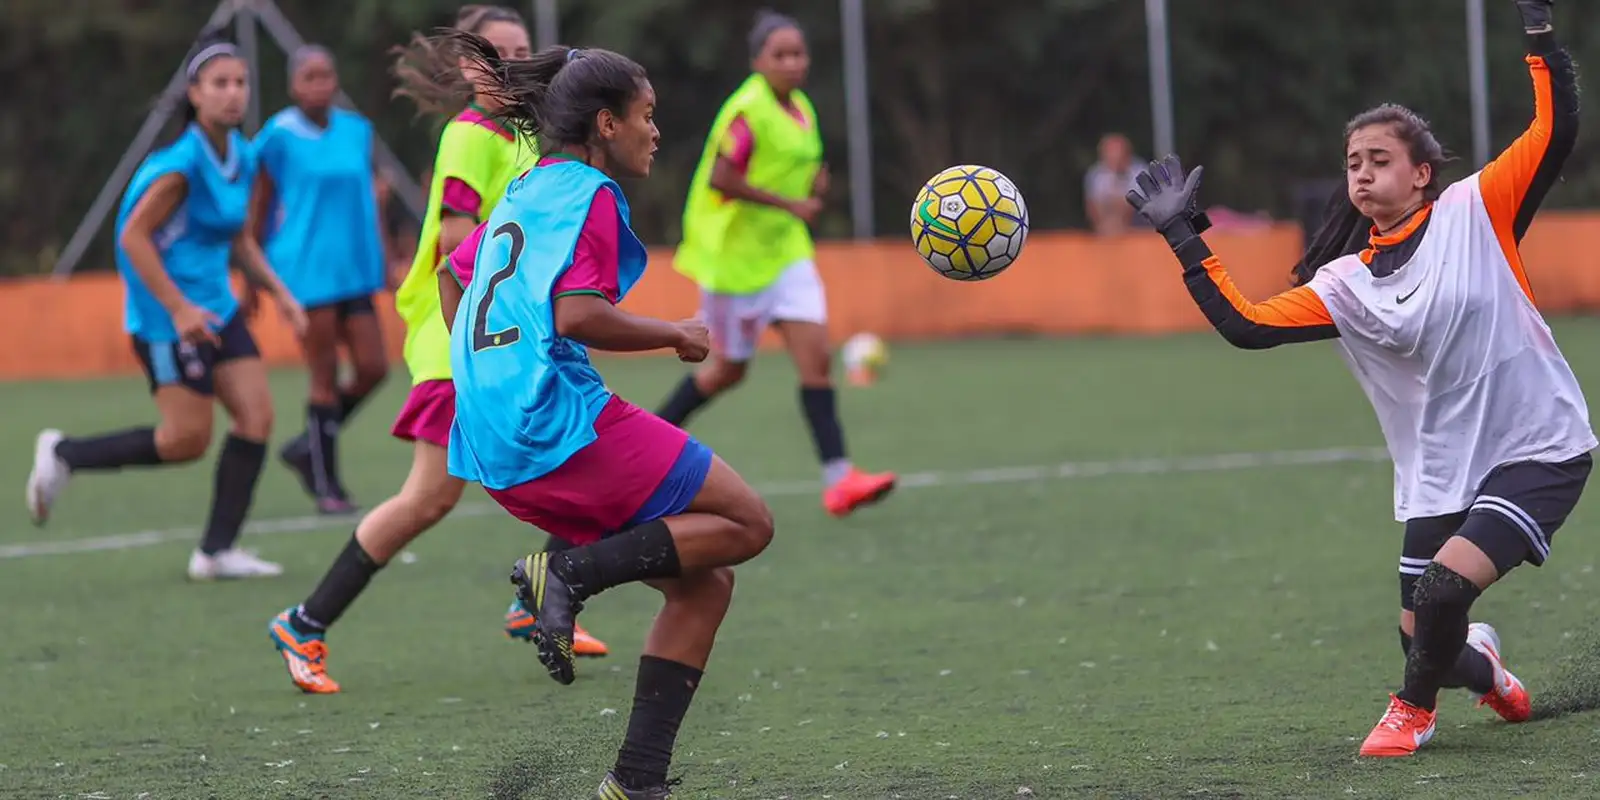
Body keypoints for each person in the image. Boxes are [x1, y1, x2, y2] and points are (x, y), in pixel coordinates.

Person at [1124, 0, 1587, 759]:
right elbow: (1246, 324)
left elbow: (1553, 133)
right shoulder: (1345, 283)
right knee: (1421, 631)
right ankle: (1487, 672)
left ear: (1421, 172)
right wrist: (1183, 232)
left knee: (1441, 594)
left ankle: (1412, 711)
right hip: (1441, 470)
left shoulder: (1477, 209)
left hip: (1539, 444)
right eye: (1352, 163)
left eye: (1378, 159)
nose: (1362, 172)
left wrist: (1539, 40)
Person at [435, 34, 776, 799]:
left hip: (493, 429)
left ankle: (636, 780)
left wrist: (479, 375)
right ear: (605, 124)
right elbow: (580, 314)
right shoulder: (590, 193)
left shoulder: (529, 187)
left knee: (705, 584)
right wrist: (676, 334)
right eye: (646, 115)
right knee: (749, 523)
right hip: (551, 421)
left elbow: (451, 274)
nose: (656, 131)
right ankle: (568, 570)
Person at [267, 4, 607, 696]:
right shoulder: (469, 136)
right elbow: (457, 242)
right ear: (470, 68)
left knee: (581, 447)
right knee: (429, 498)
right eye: (498, 52)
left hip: (495, 337)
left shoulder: (523, 136)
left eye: (522, 49)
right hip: (456, 339)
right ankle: (304, 622)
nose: (514, 61)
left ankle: (536, 598)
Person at [25, 33, 308, 580]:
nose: (233, 93)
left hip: (216, 309)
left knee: (257, 416)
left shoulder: (241, 157)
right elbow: (131, 239)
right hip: (166, 318)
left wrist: (284, 296)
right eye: (219, 83)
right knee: (185, 441)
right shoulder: (180, 166)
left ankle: (215, 553)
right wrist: (178, 310)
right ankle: (65, 454)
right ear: (194, 93)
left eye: (241, 83)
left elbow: (240, 239)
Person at [651, 10, 896, 518]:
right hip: (737, 264)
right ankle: (647, 447)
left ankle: (840, 480)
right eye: (779, 54)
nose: (791, 63)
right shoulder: (747, 111)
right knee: (727, 372)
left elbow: (793, 174)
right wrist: (792, 205)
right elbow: (722, 177)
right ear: (758, 61)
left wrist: (811, 191)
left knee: (817, 359)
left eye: (798, 53)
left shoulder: (802, 108)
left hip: (786, 254)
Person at [251, 45, 389, 515]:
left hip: (354, 266)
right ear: (294, 84)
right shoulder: (278, 136)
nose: (320, 84)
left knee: (374, 368)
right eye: (310, 77)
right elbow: (259, 203)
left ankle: (304, 448)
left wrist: (386, 256)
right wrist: (251, 274)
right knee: (324, 376)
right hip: (305, 269)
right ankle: (327, 485)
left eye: (327, 75)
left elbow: (369, 199)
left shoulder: (357, 131)